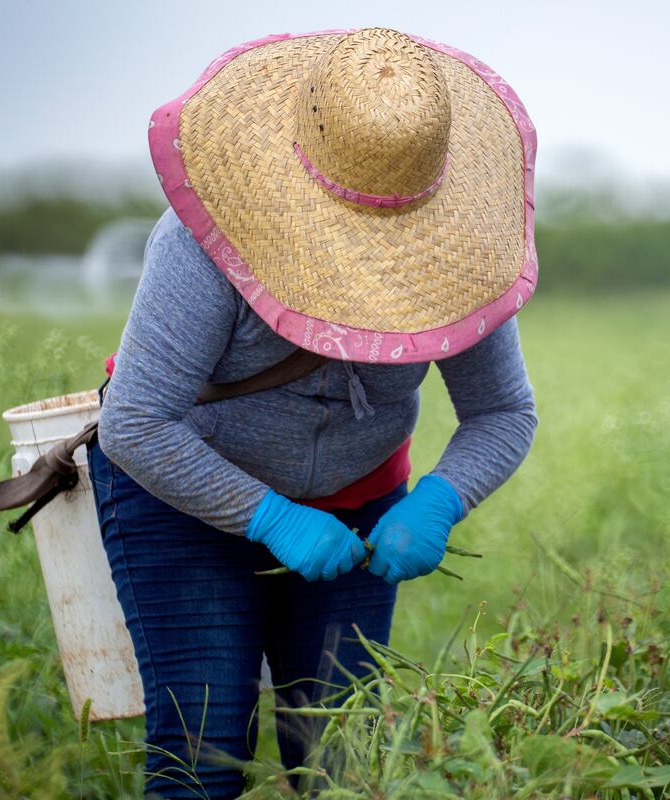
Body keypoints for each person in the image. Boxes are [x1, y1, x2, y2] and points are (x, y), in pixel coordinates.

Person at [90, 28, 538, 798]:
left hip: (360, 501)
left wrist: (438, 499)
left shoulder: (461, 254)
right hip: (181, 503)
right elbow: (136, 421)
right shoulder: (202, 243)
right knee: (202, 756)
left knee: (342, 761)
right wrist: (271, 517)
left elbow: (502, 411)